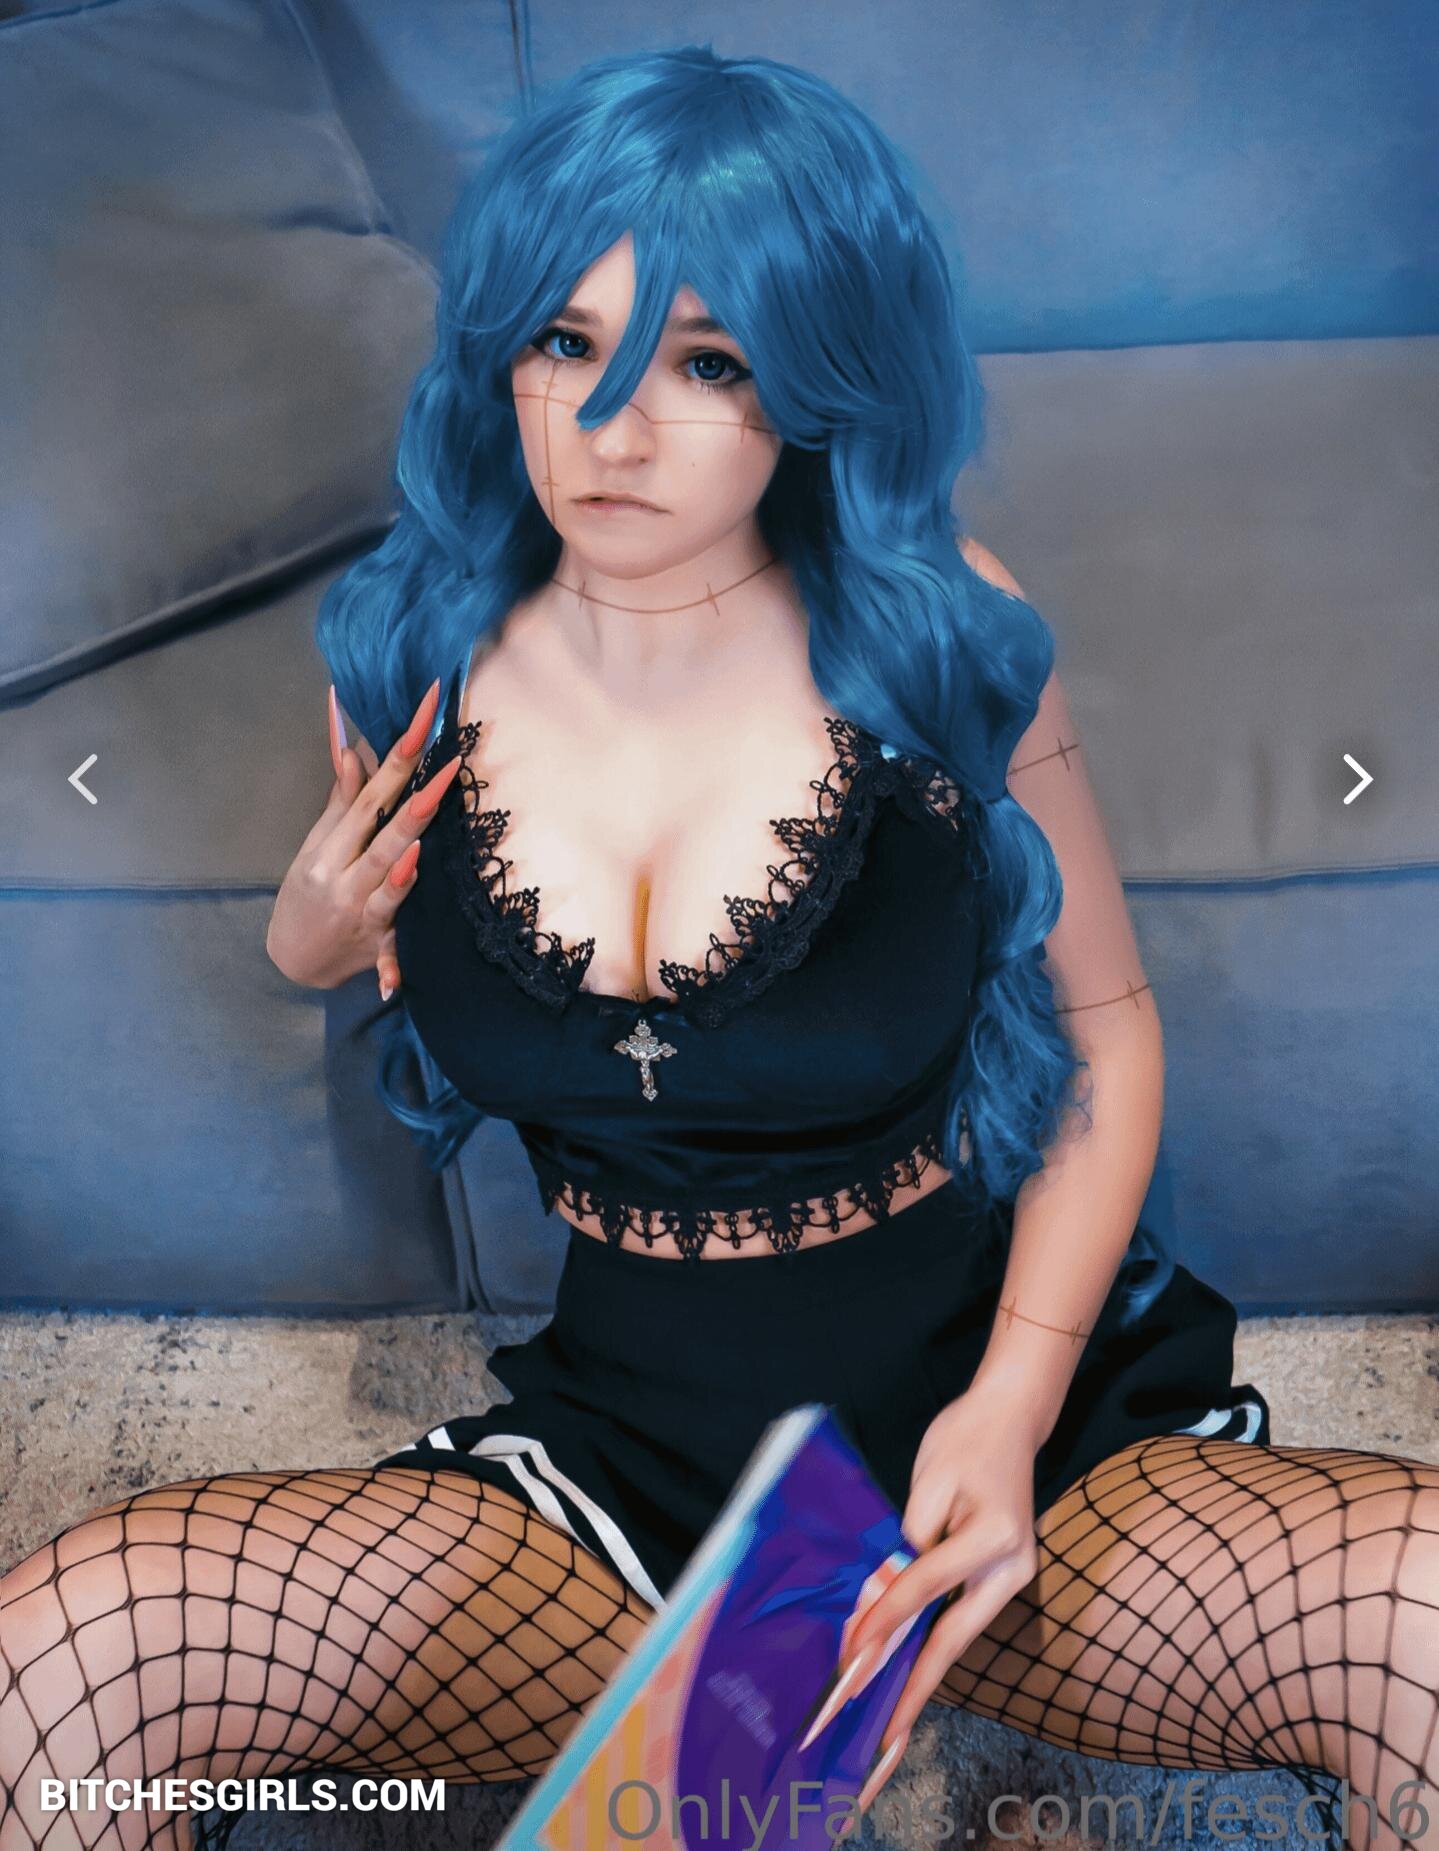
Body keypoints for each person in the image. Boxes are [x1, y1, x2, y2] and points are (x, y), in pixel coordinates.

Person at [2, 45, 1434, 1851]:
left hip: (1019, 1434)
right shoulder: (407, 656)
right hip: (628, 1475)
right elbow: (376, 963)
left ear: (817, 381)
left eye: (705, 363)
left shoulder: (942, 635)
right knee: (78, 1645)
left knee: (1425, 1613)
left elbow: (1109, 1035)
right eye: (565, 342)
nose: (612, 430)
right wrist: (311, 939)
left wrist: (1008, 1411)